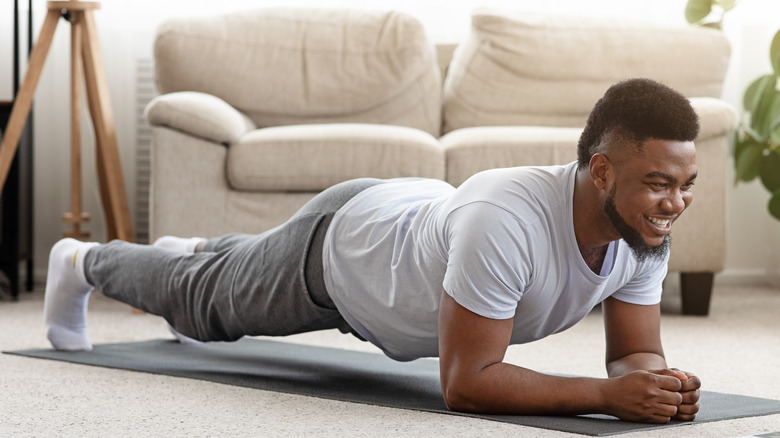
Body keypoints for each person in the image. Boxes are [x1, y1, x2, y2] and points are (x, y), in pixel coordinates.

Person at [43, 78, 701, 424]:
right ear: (603, 171)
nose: (674, 203)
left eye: (685, 186)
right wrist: (607, 396)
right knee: (200, 308)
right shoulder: (506, 219)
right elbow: (466, 384)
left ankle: (202, 250)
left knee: (225, 270)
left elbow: (632, 352)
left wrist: (655, 384)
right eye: (659, 183)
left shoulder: (641, 231)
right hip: (342, 256)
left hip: (404, 226)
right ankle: (79, 262)